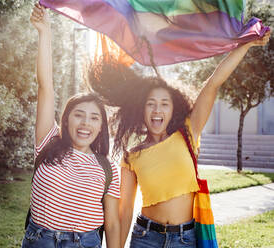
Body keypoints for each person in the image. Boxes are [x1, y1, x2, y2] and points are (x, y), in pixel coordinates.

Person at [88, 31, 270, 247]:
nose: (157, 109)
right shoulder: (131, 155)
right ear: (141, 109)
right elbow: (125, 209)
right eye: (151, 103)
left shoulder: (188, 132)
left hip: (186, 238)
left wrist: (245, 46)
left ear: (173, 109)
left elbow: (212, 84)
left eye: (164, 103)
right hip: (146, 238)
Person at [23, 3, 120, 248]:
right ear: (66, 120)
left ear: (101, 127)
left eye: (94, 118)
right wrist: (44, 32)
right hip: (39, 240)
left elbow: (113, 223)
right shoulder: (48, 142)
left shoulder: (109, 169)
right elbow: (45, 86)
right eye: (79, 115)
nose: (86, 122)